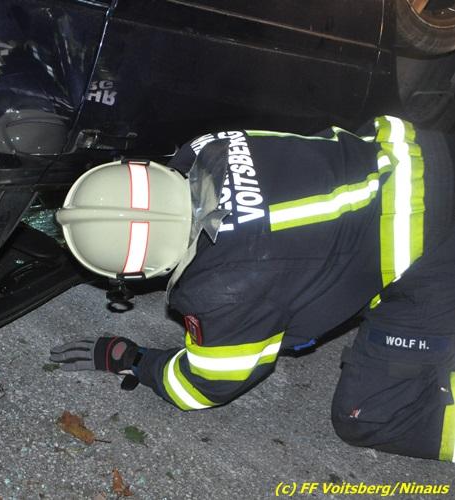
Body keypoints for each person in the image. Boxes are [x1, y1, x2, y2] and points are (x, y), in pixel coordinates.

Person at [49, 116, 455, 462]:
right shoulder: (209, 146)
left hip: (436, 247)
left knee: (367, 417)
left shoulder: (221, 286)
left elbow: (202, 386)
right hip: (423, 154)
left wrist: (134, 359)